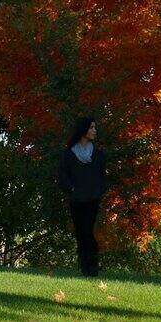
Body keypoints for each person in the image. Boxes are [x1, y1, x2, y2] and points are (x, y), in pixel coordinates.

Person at [58, 117, 107, 277]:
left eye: (95, 127)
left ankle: (92, 268)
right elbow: (63, 176)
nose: (94, 130)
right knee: (80, 232)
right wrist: (72, 189)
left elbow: (102, 177)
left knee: (88, 231)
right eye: (92, 127)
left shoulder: (98, 155)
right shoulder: (69, 154)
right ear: (84, 130)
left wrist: (98, 191)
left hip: (92, 199)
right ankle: (84, 267)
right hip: (76, 200)